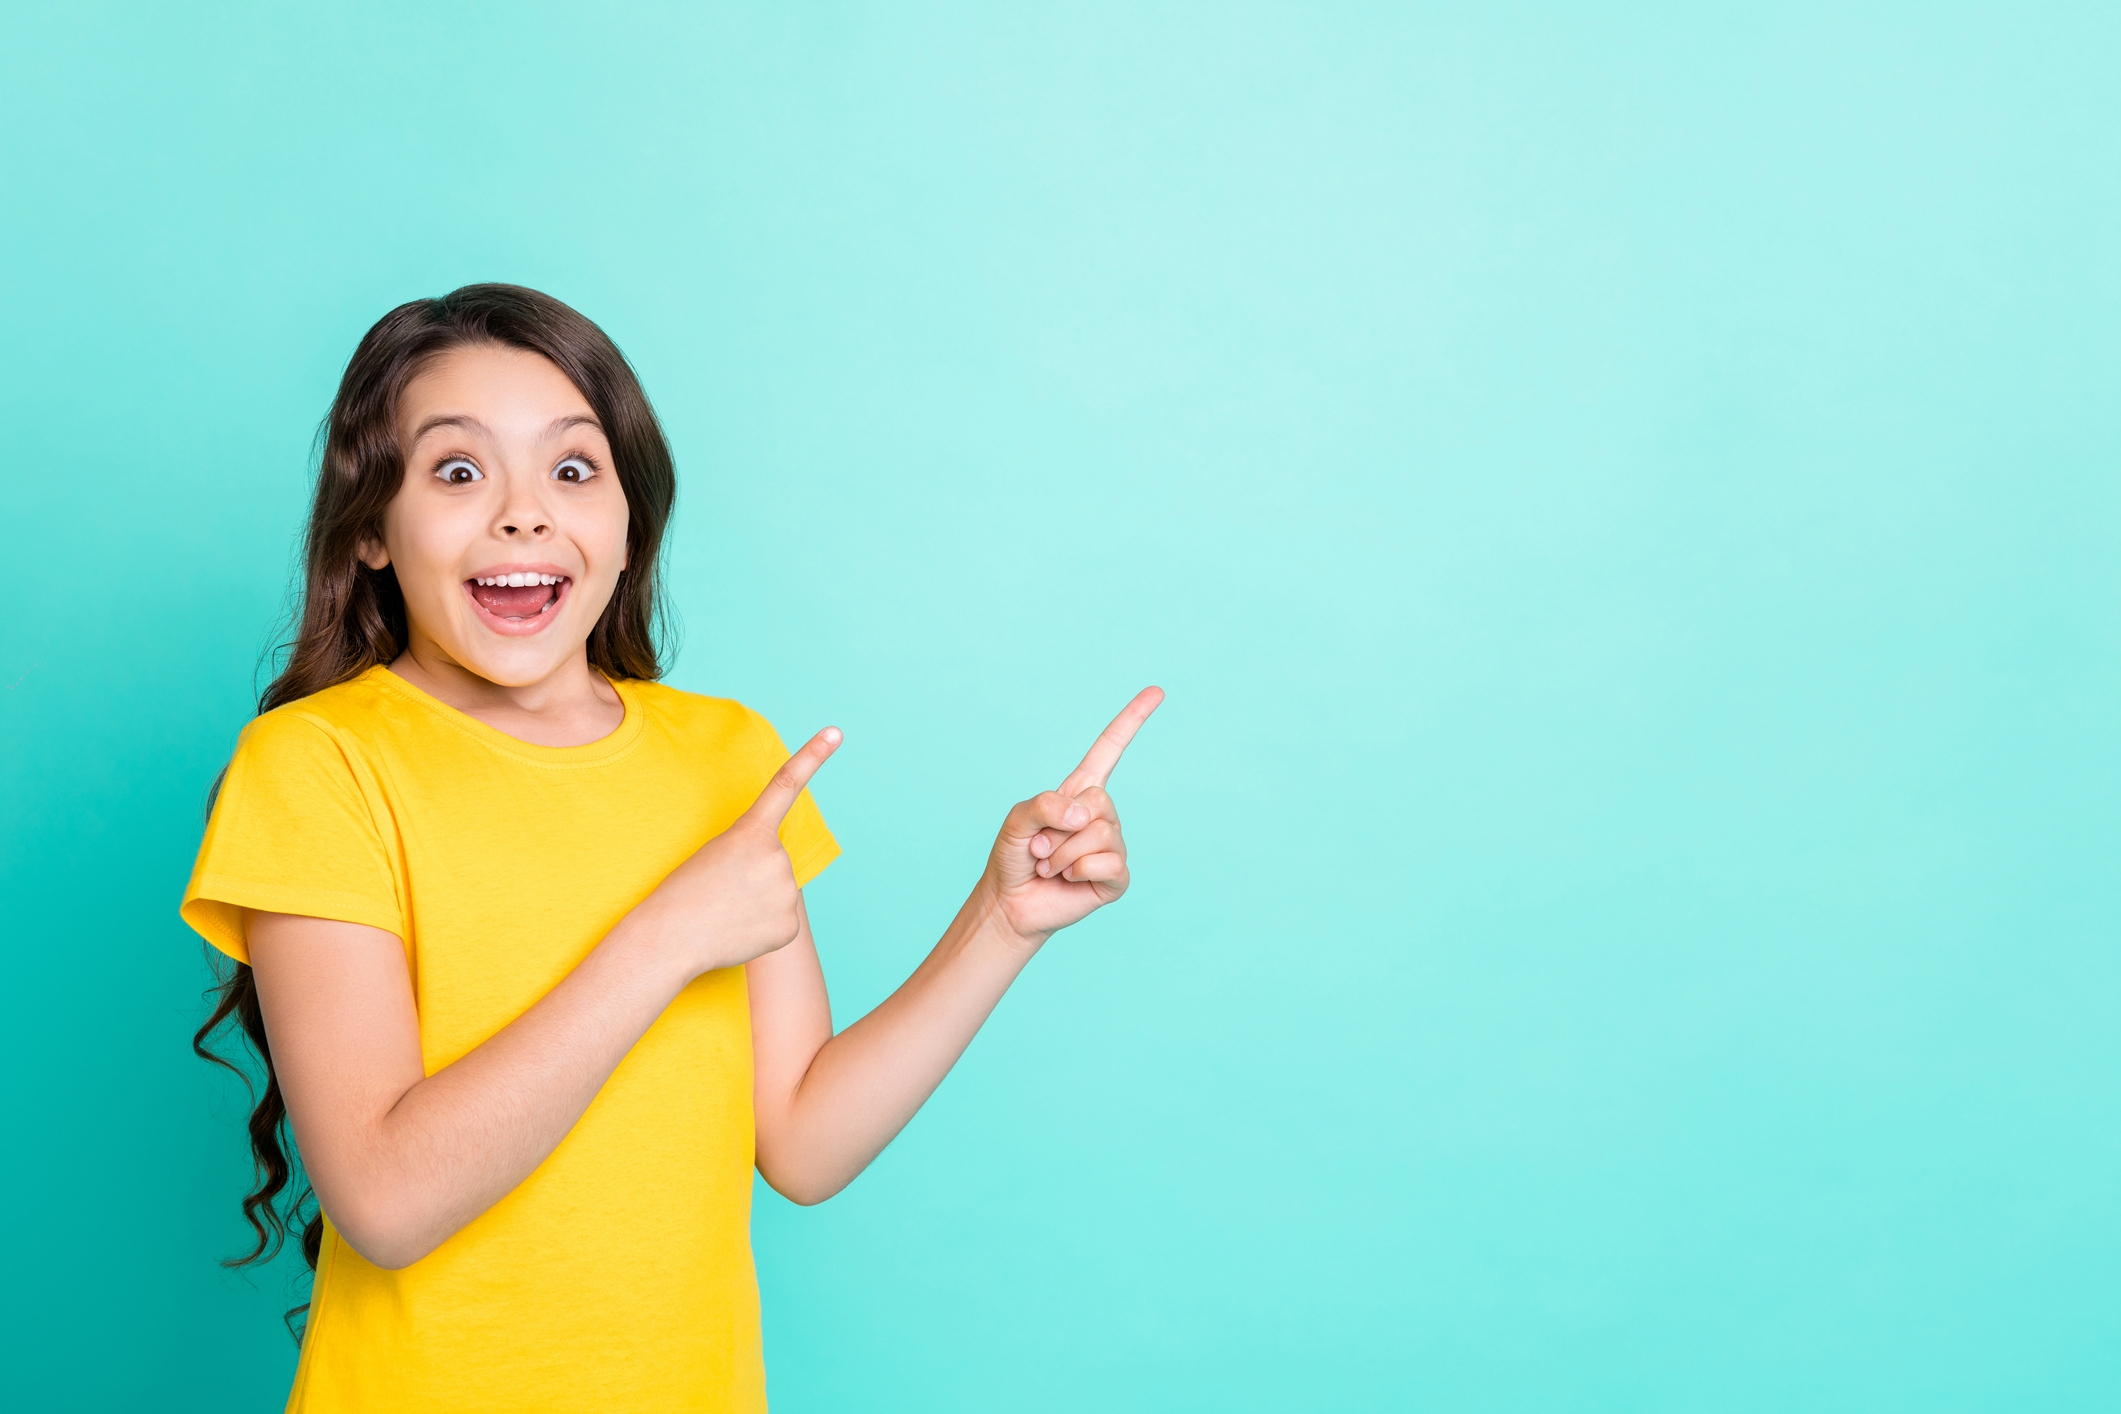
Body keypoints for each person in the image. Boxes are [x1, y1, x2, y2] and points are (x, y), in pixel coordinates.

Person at [184, 283, 1160, 1413]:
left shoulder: (725, 758)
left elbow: (802, 1139)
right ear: (369, 528)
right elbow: (390, 1199)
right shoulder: (317, 765)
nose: (522, 514)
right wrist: (669, 934)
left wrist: (999, 921)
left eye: (572, 468)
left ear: (629, 520)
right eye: (458, 471)